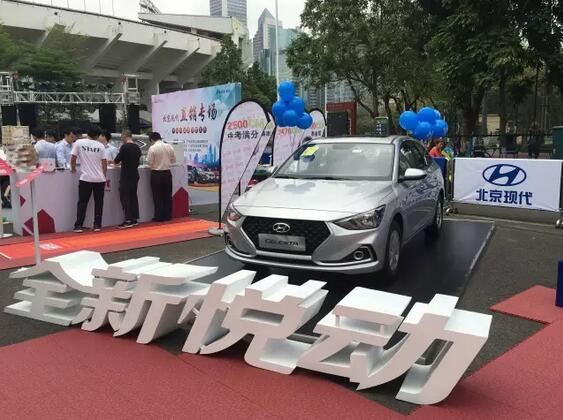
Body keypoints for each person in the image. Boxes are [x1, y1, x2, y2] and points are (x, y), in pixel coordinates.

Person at [71, 125, 107, 233]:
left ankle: (78, 225)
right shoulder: (101, 146)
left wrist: (73, 168)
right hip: (99, 179)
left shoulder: (79, 143)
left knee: (82, 202)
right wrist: (104, 175)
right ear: (98, 135)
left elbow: (73, 157)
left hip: (85, 178)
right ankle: (97, 225)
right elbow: (104, 162)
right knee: (99, 203)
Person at [114, 130, 142, 229]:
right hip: (135, 174)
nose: (121, 138)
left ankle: (128, 219)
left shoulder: (124, 147)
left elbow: (116, 160)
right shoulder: (137, 147)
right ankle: (134, 218)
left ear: (125, 136)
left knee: (125, 197)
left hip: (126, 174)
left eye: (122, 136)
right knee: (133, 196)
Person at [147, 132, 176, 222]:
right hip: (167, 173)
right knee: (167, 195)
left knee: (157, 196)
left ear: (152, 139)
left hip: (156, 174)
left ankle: (159, 216)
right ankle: (168, 215)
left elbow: (149, 162)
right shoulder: (169, 146)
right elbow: (173, 160)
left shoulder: (152, 148)